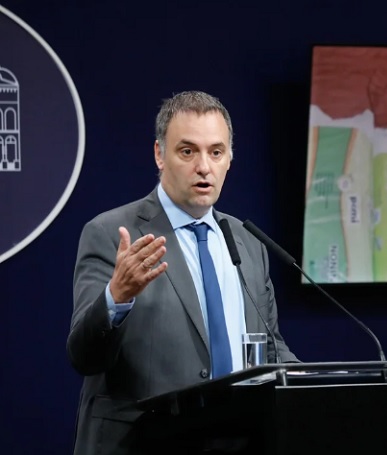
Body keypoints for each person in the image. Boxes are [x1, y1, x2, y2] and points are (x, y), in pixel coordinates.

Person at [67, 90, 298, 454]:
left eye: (216, 152)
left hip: (240, 440)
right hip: (144, 444)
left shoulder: (247, 241)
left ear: (230, 159)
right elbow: (84, 356)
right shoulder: (112, 233)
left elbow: (271, 348)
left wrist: (318, 385)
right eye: (188, 151)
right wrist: (117, 297)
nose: (204, 166)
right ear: (159, 154)